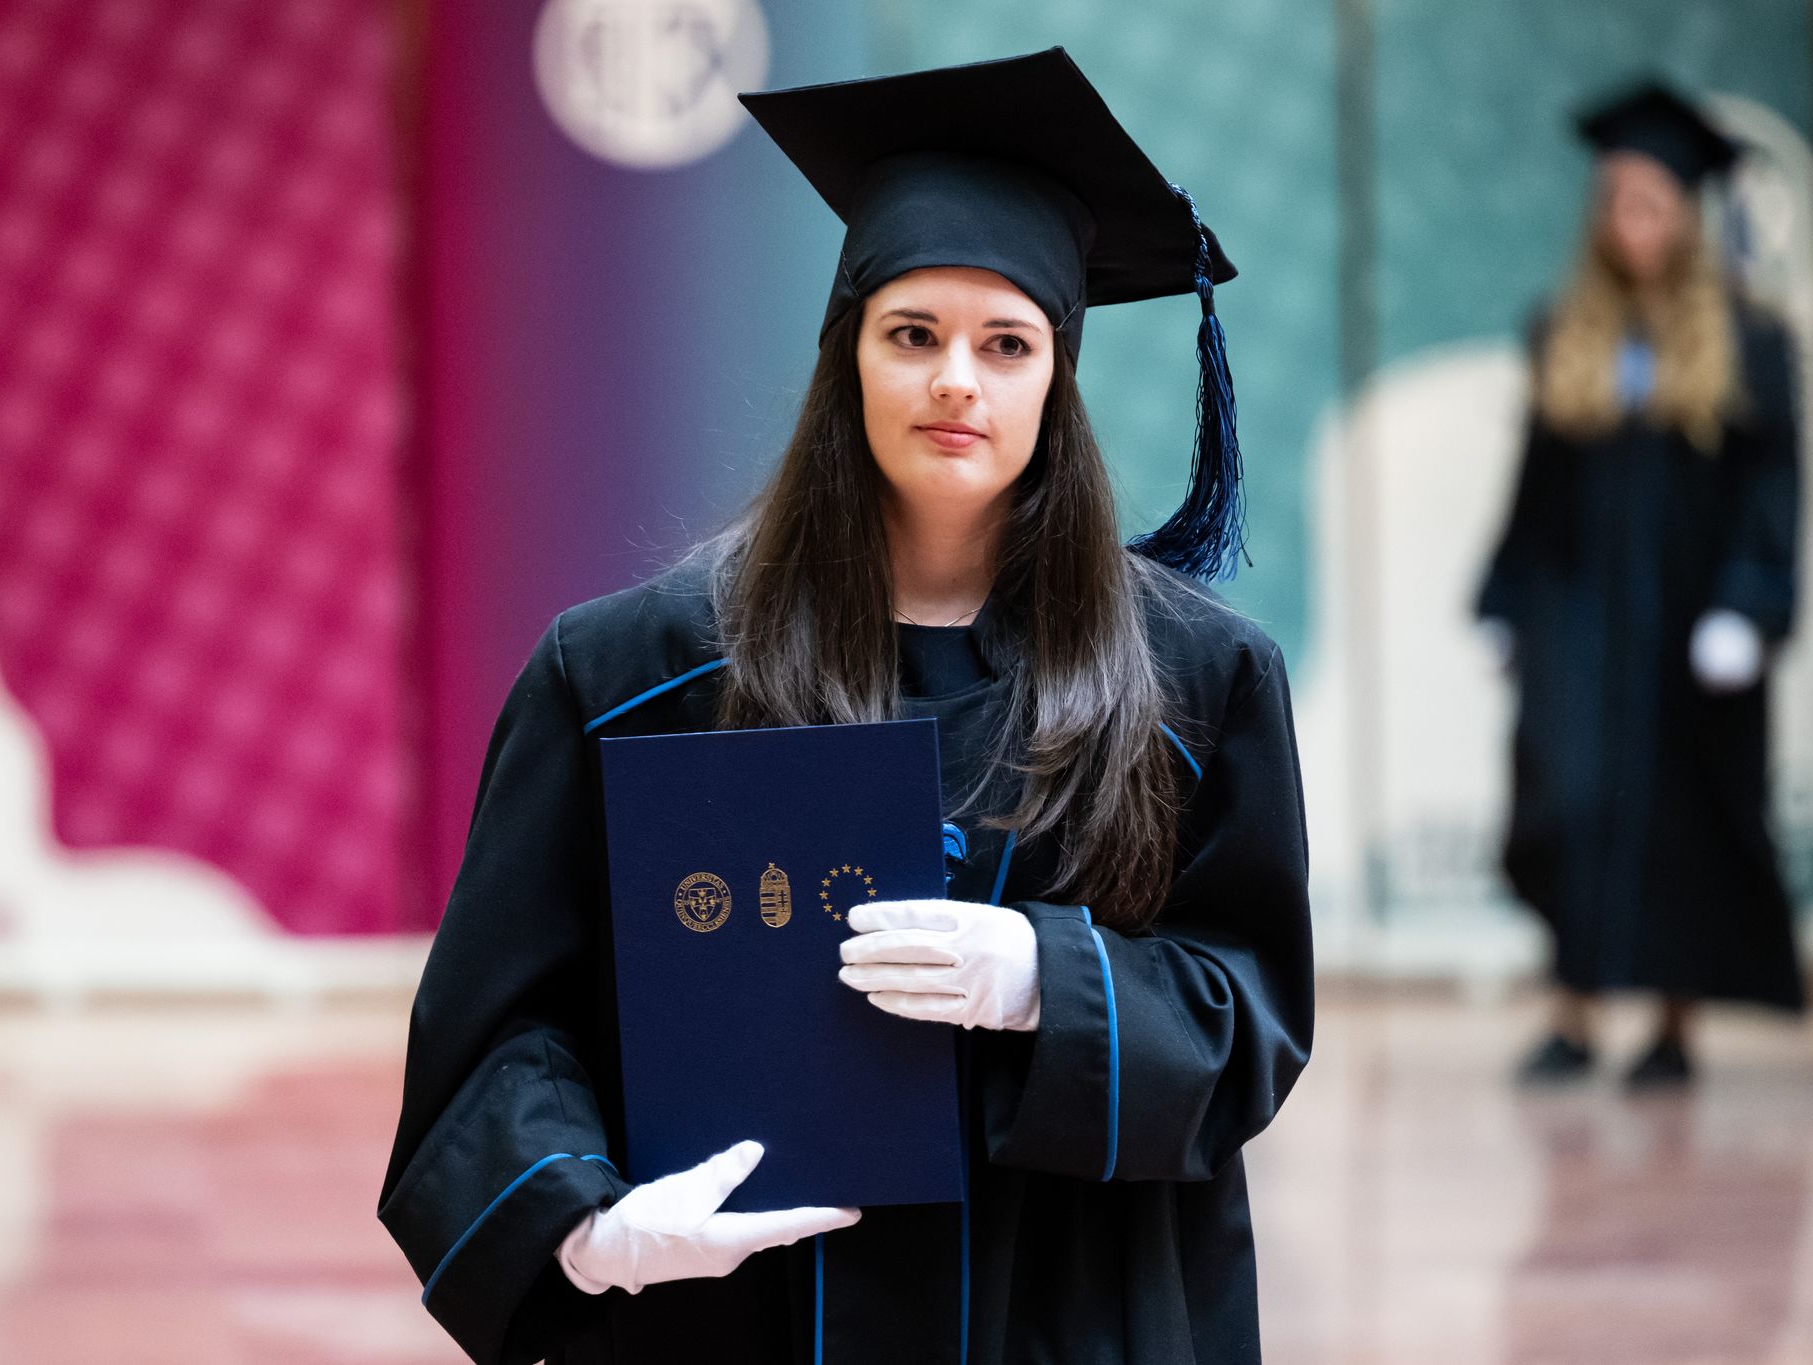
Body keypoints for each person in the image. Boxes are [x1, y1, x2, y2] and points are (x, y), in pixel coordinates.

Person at [380, 48, 1312, 1364]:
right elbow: (500, 1019)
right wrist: (585, 1222)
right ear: (848, 358)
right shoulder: (634, 676)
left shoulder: (1195, 685)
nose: (956, 380)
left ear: (1057, 378)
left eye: (1006, 344)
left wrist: (1050, 982)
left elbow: (1249, 1011)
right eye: (912, 334)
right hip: (736, 1311)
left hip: (1064, 1306)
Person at [1478, 80, 1805, 1089]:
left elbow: (1770, 489)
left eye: (1652, 205)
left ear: (1686, 216)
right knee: (1567, 806)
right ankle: (1572, 1014)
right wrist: (1505, 601)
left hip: (1688, 625)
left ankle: (1672, 1025)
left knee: (1680, 820)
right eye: (1617, 203)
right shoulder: (1563, 331)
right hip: (1577, 622)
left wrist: (1748, 607)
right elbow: (1535, 485)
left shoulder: (1750, 344)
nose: (1632, 223)